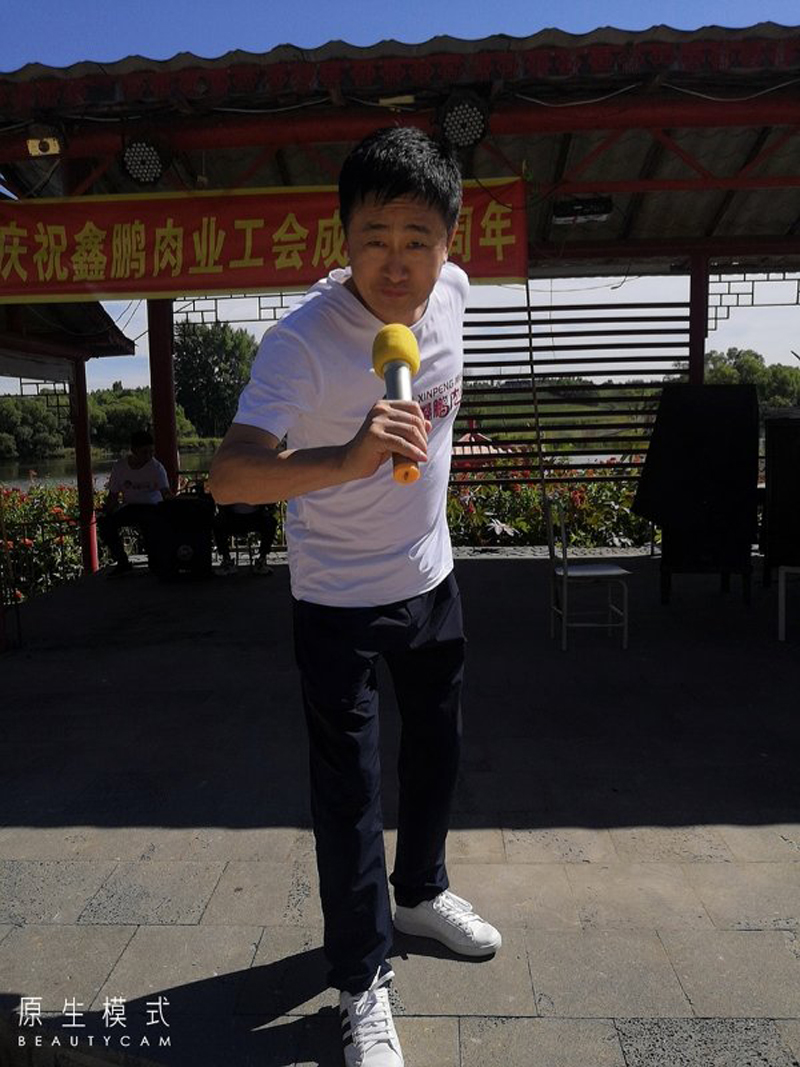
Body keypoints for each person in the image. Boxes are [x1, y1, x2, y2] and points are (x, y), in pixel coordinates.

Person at [209, 126, 500, 1067]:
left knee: (439, 754)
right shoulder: (300, 342)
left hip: (431, 577)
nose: (397, 263)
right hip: (335, 599)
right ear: (342, 238)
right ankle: (362, 979)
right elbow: (228, 477)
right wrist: (344, 457)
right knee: (350, 794)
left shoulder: (453, 294)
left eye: (419, 239)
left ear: (450, 244)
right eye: (375, 238)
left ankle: (421, 891)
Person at [98, 430, 171, 575]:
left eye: (151, 452)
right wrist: (106, 513)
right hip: (131, 507)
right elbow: (113, 495)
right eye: (144, 452)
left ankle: (155, 560)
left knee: (149, 522)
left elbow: (166, 494)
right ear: (133, 450)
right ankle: (122, 561)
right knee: (107, 524)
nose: (149, 456)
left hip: (153, 507)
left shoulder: (156, 468)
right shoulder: (120, 467)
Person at [212, 502, 277, 575]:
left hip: (255, 516)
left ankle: (261, 560)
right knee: (218, 523)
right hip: (232, 516)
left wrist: (270, 509)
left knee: (270, 522)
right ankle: (227, 560)